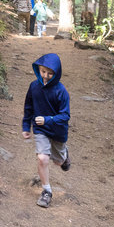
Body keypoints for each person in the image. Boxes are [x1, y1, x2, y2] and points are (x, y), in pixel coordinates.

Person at [21, 53, 71, 208]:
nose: (46, 76)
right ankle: (46, 191)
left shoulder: (61, 91)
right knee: (42, 158)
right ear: (38, 69)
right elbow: (28, 107)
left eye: (50, 73)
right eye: (43, 71)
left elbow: (65, 115)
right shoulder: (34, 86)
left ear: (57, 73)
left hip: (58, 130)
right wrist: (26, 126)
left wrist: (48, 119)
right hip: (40, 129)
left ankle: (65, 155)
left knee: (58, 162)